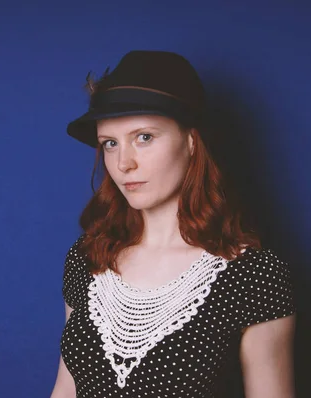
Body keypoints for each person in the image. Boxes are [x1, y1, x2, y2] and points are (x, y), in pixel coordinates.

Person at [50, 50, 297, 398]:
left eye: (144, 137)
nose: (124, 163)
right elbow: (66, 389)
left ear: (192, 141)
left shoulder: (253, 275)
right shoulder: (88, 256)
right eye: (110, 143)